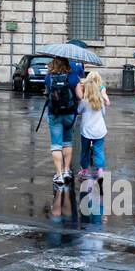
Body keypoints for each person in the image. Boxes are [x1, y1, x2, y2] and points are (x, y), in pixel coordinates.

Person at [45, 57, 82, 188]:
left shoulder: (49, 77)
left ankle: (59, 175)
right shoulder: (73, 77)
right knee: (67, 142)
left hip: (54, 114)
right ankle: (67, 171)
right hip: (70, 114)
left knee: (56, 145)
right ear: (67, 63)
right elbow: (80, 96)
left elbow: (48, 93)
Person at [76, 70, 109, 180]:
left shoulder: (84, 101)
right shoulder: (100, 100)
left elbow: (78, 111)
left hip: (86, 130)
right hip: (99, 130)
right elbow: (104, 113)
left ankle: (84, 169)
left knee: (85, 150)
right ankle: (100, 170)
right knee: (99, 150)